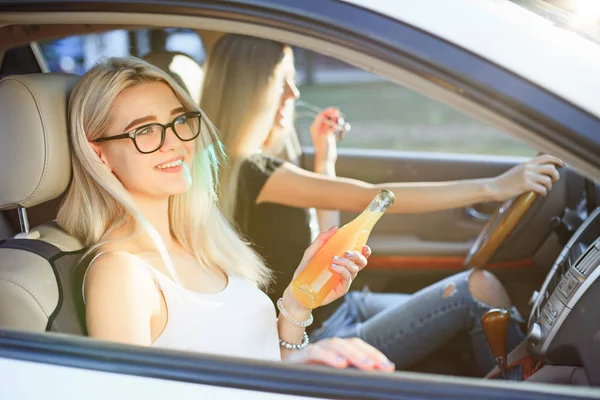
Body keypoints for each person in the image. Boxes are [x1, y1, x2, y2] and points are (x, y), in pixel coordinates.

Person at [199, 34, 564, 374]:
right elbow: (371, 197)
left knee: (480, 295)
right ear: (250, 90)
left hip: (340, 306)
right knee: (478, 290)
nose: (293, 93)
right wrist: (493, 186)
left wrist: (325, 159)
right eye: (282, 81)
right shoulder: (253, 171)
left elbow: (325, 240)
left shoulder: (253, 167)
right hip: (319, 332)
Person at [55, 57, 396, 373]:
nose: (173, 142)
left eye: (178, 121)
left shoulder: (200, 239)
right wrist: (292, 371)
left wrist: (296, 304)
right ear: (98, 153)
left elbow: (261, 359)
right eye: (145, 130)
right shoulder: (121, 273)